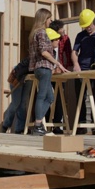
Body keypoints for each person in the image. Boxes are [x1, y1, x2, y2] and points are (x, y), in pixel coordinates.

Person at [28, 8, 69, 136]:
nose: (50, 21)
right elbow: (44, 51)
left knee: (50, 97)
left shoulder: (34, 33)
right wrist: (57, 63)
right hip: (44, 67)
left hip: (40, 68)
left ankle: (38, 123)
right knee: (42, 96)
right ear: (44, 19)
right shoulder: (41, 32)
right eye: (49, 19)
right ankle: (38, 125)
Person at [71, 9, 95, 134]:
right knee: (80, 97)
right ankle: (81, 125)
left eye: (89, 25)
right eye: (85, 26)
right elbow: (74, 52)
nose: (88, 28)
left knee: (94, 97)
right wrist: (76, 64)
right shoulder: (80, 36)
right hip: (81, 70)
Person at [1, 58, 32, 134]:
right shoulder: (31, 60)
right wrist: (19, 80)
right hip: (17, 76)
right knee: (16, 102)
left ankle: (20, 128)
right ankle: (5, 124)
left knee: (23, 103)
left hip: (29, 78)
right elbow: (20, 70)